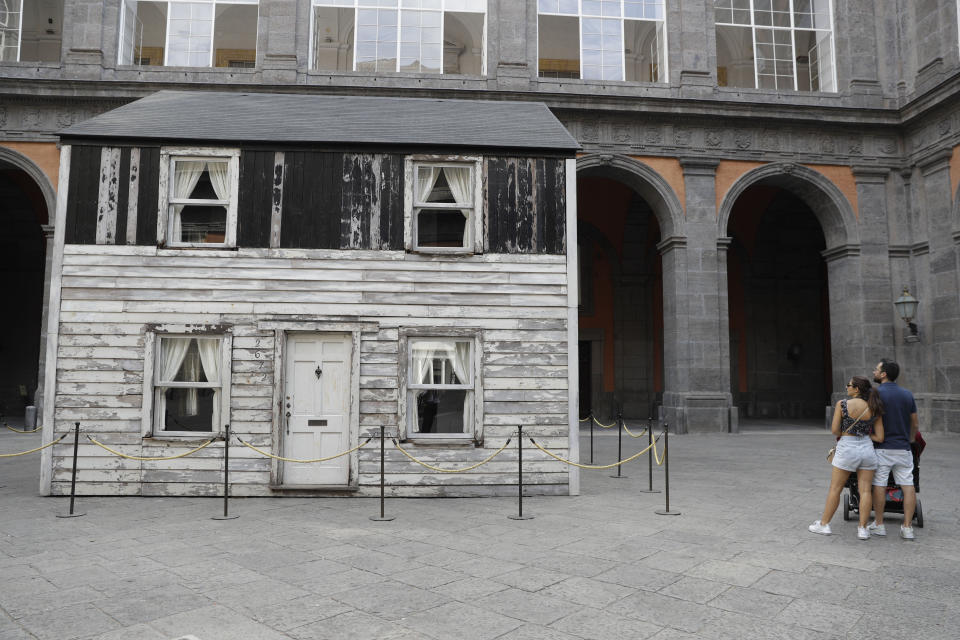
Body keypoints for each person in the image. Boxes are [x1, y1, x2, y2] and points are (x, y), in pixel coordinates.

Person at [809, 376, 884, 539]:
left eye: (849, 385)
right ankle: (863, 529)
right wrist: (863, 436)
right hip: (867, 449)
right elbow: (880, 437)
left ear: (857, 389)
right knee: (865, 490)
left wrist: (849, 433)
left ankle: (824, 524)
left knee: (835, 488)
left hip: (847, 448)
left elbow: (835, 430)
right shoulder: (874, 406)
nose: (846, 387)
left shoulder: (842, 404)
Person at [869, 359, 919, 540]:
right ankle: (907, 527)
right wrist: (911, 439)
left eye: (877, 369)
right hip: (903, 448)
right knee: (908, 486)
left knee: (880, 484)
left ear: (883, 374)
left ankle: (879, 524)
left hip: (882, 448)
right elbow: (915, 423)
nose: (874, 371)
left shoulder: (875, 393)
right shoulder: (907, 394)